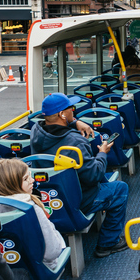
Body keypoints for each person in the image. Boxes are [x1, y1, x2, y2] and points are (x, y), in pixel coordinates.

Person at [30, 93, 130, 258]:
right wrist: (103, 154)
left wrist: (75, 122)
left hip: (47, 196)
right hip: (77, 200)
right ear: (62, 114)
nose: (73, 110)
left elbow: (57, 129)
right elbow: (94, 175)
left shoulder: (36, 131)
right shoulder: (75, 142)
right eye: (71, 108)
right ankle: (108, 243)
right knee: (120, 189)